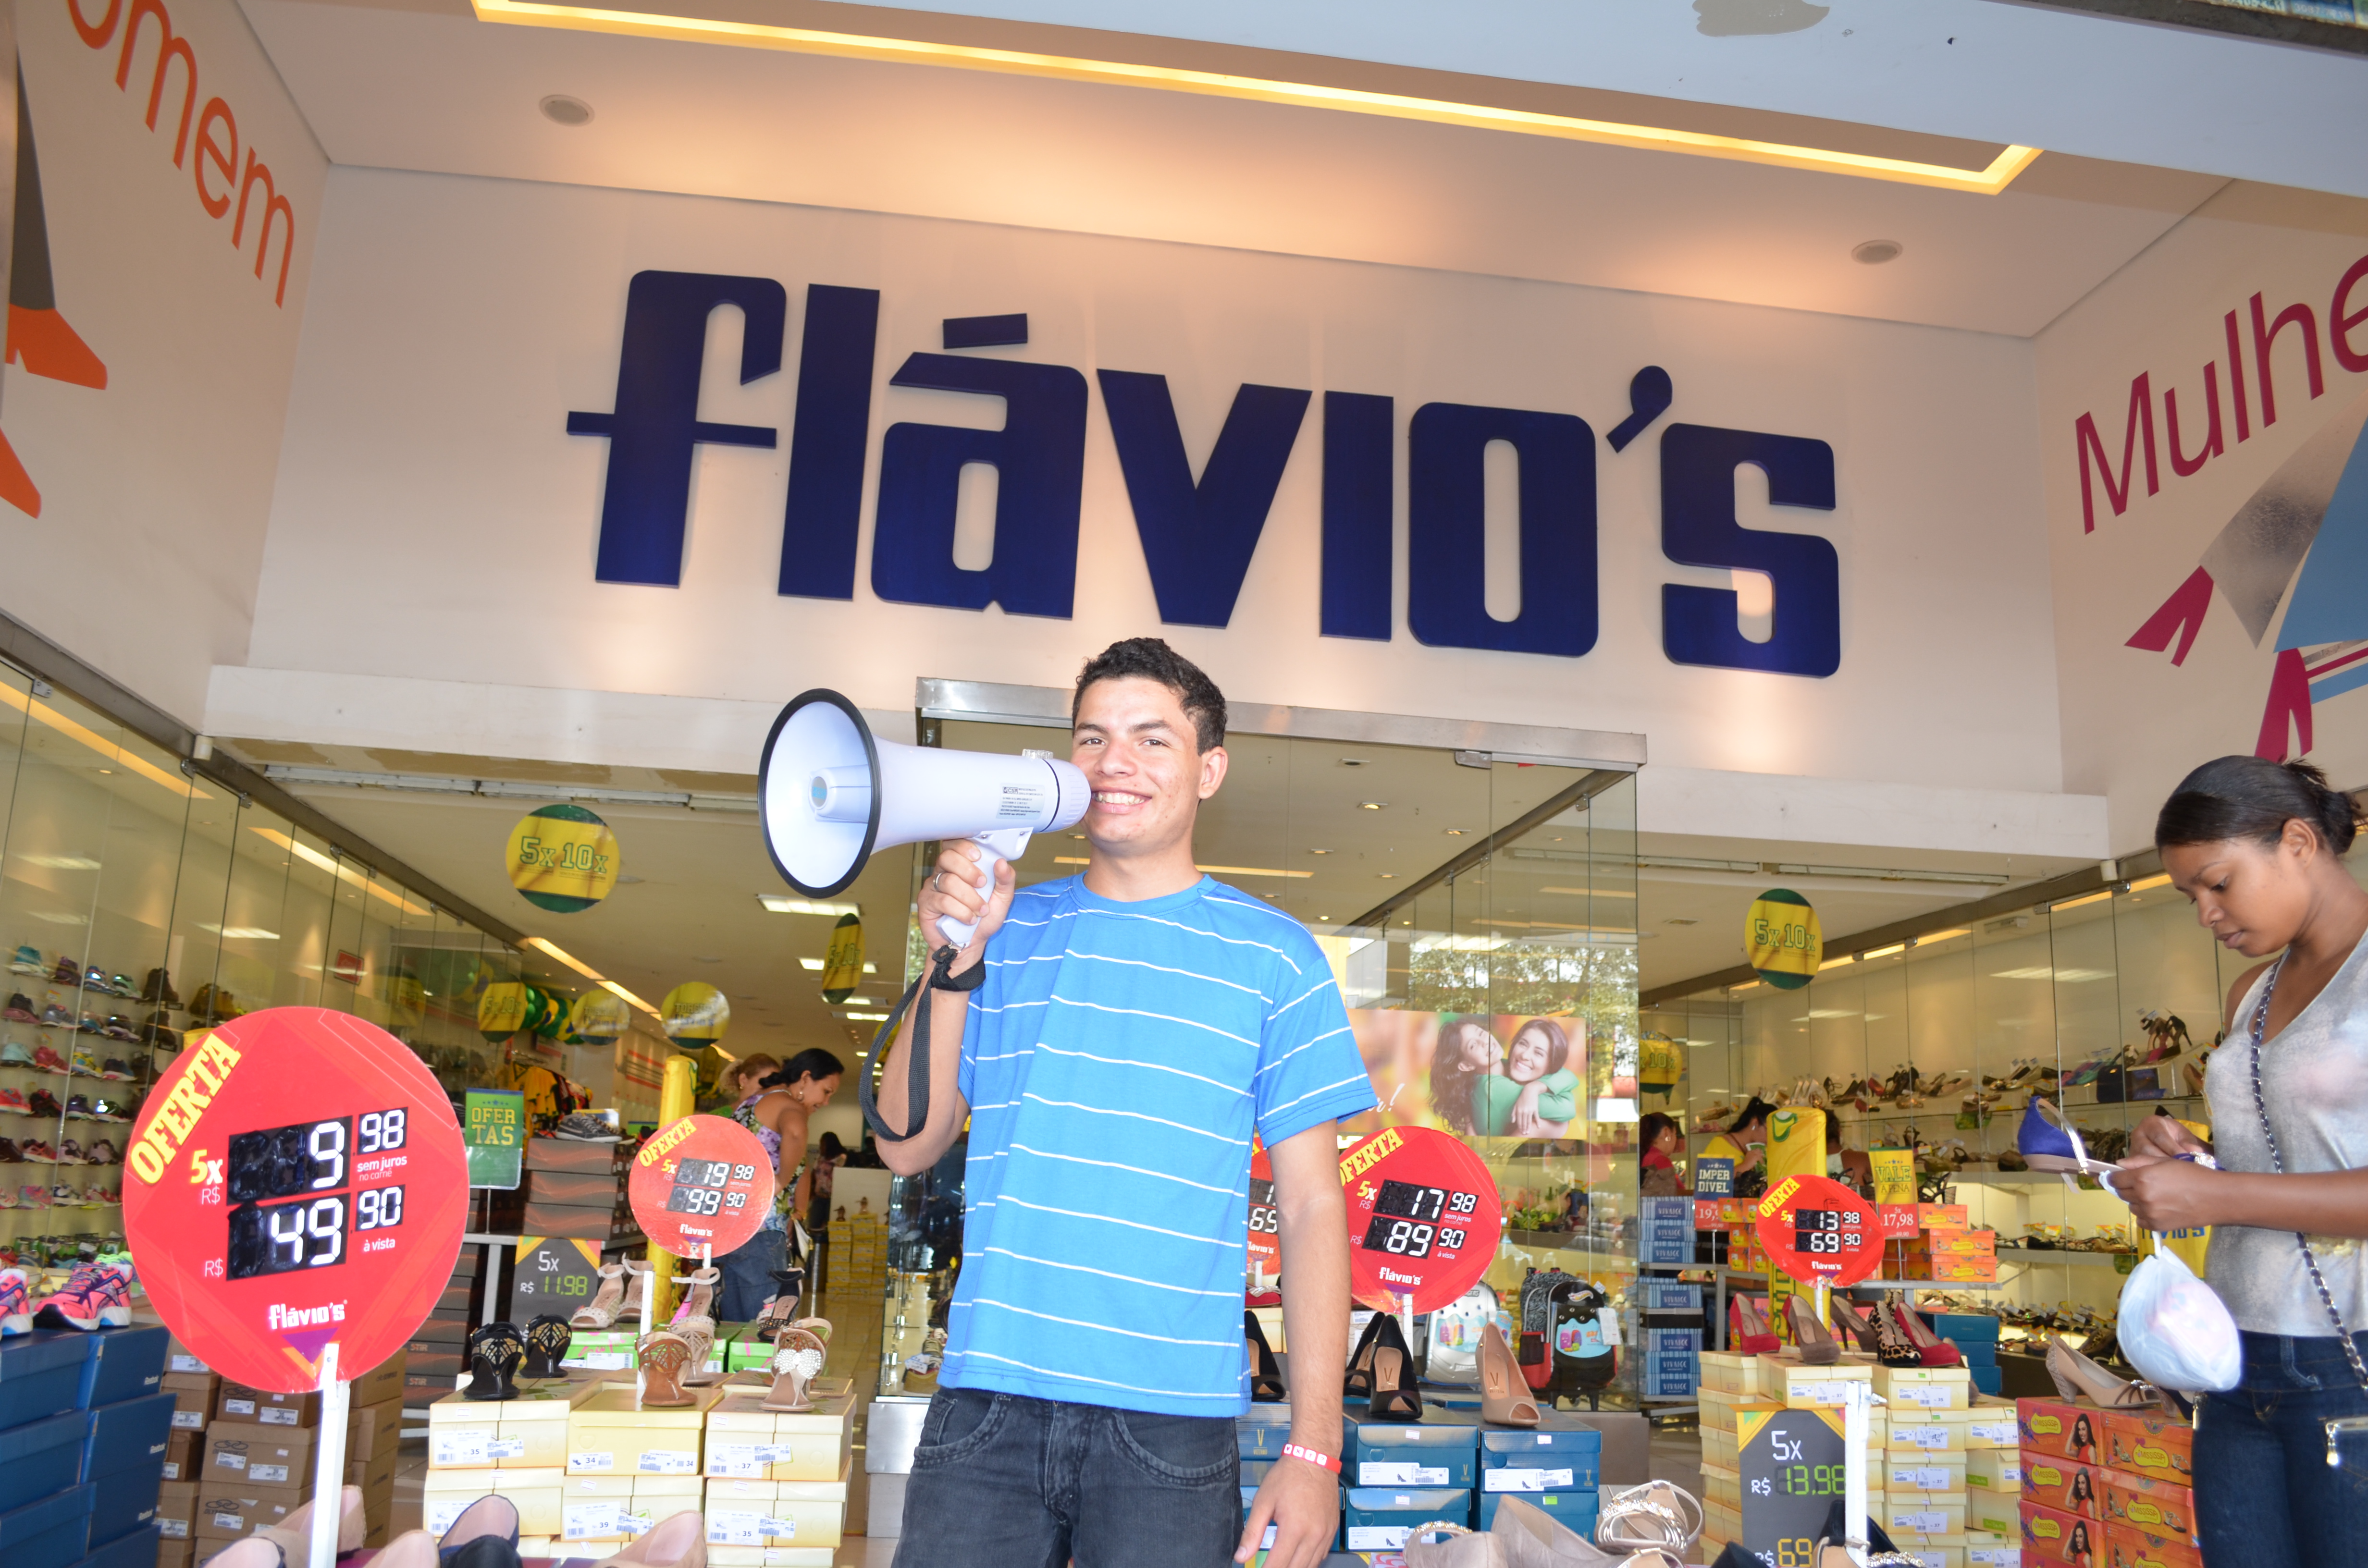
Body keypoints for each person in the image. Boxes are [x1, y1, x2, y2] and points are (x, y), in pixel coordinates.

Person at [873, 638, 1376, 1568]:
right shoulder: (1004, 926)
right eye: (1092, 738)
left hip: (1169, 1426)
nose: (1115, 763)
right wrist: (950, 956)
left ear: (1209, 769)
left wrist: (1315, 1447)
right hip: (988, 1401)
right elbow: (907, 1143)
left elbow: (1312, 1204)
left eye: (1152, 739)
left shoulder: (1277, 958)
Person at [2114, 756, 2368, 1568]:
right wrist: (2189, 1155)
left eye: (2218, 883)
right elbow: (2298, 1151)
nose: (2206, 913)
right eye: (2189, 894)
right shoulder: (2252, 992)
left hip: (2348, 1353)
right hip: (2230, 1354)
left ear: (2298, 842)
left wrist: (2218, 1196)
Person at [715, 1046, 845, 1323]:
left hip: (727, 1228)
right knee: (766, 1324)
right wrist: (781, 1180)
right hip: (761, 1232)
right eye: (826, 1091)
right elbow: (796, 1133)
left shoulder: (755, 1102)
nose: (826, 1102)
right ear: (806, 1078)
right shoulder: (789, 1105)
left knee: (731, 1323)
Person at [1472, 1017, 1578, 1137]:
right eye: (1523, 1044)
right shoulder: (1494, 1084)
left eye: (1539, 1053)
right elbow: (1567, 1108)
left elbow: (1568, 1075)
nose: (1525, 1056)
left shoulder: (1505, 1069)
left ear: (1551, 1067)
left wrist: (1535, 1088)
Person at [1427, 1016, 1502, 1134]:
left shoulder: (1512, 1066)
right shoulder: (1492, 1090)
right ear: (1467, 1066)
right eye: (1473, 1045)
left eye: (1481, 1033)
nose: (1485, 1042)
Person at [807, 1130, 846, 1233]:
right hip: (819, 1198)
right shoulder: (820, 1158)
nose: (821, 1147)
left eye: (823, 1144)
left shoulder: (841, 1159)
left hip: (833, 1199)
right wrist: (810, 1192)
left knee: (831, 1228)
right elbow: (813, 1175)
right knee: (814, 1226)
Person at [1638, 1111, 1684, 1196]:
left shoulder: (1644, 1155)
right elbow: (1675, 1194)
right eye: (1675, 1134)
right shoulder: (1661, 1161)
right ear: (1667, 1132)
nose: (1676, 1139)